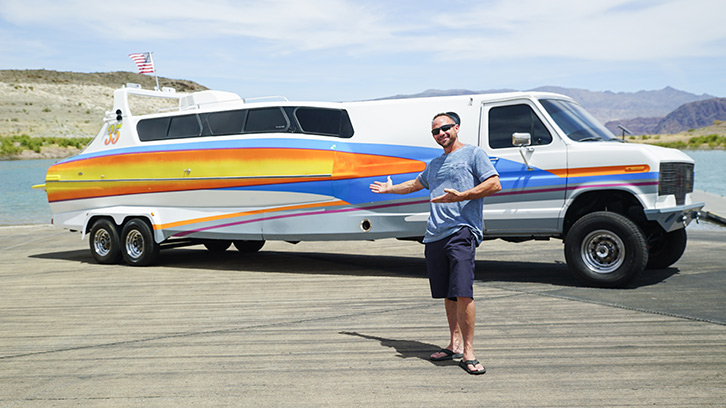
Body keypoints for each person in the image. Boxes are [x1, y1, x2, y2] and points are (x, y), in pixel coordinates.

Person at [369, 111, 501, 375]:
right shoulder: (435, 164)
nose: (441, 134)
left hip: (461, 230)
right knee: (448, 294)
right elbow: (416, 184)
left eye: (445, 128)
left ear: (457, 128)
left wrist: (462, 195)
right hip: (434, 235)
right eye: (435, 131)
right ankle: (453, 344)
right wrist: (389, 189)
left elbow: (494, 184)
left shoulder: (473, 154)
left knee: (463, 291)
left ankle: (469, 352)